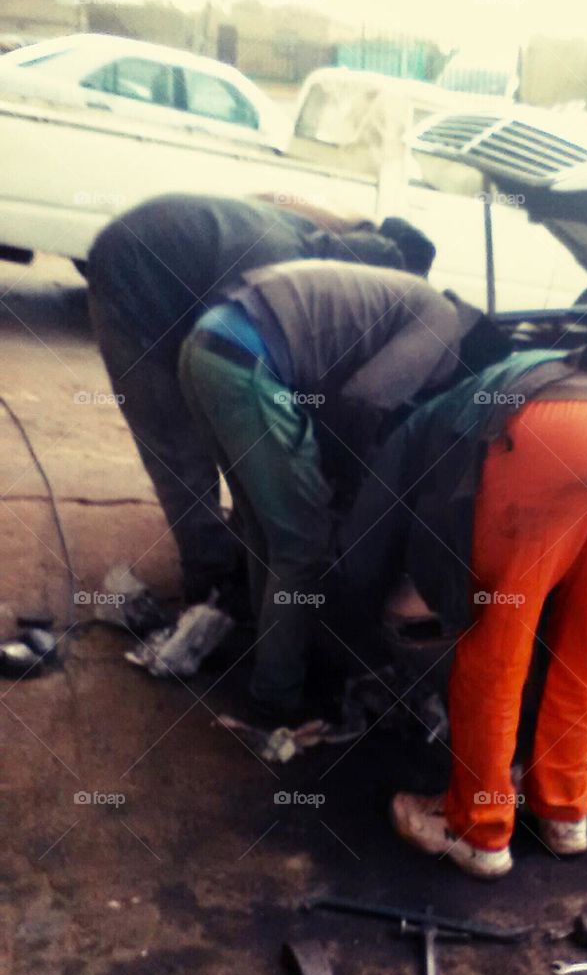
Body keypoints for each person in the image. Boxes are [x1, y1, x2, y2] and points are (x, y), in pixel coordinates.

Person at [338, 348, 587, 879]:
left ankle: (479, 830)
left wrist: (354, 590)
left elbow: (376, 524)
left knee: (496, 640)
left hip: (553, 435)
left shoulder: (419, 425)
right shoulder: (527, 367)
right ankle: (564, 810)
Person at [177, 259, 486, 728]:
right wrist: (347, 487)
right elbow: (362, 401)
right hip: (247, 362)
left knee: (268, 529)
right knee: (304, 543)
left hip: (208, 345)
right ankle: (277, 694)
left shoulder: (411, 299)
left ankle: (266, 657)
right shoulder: (442, 326)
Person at [86, 191, 435, 604]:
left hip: (177, 263)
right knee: (176, 445)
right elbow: (225, 367)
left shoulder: (315, 244)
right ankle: (210, 581)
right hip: (133, 280)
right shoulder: (278, 263)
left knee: (227, 430)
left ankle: (229, 555)